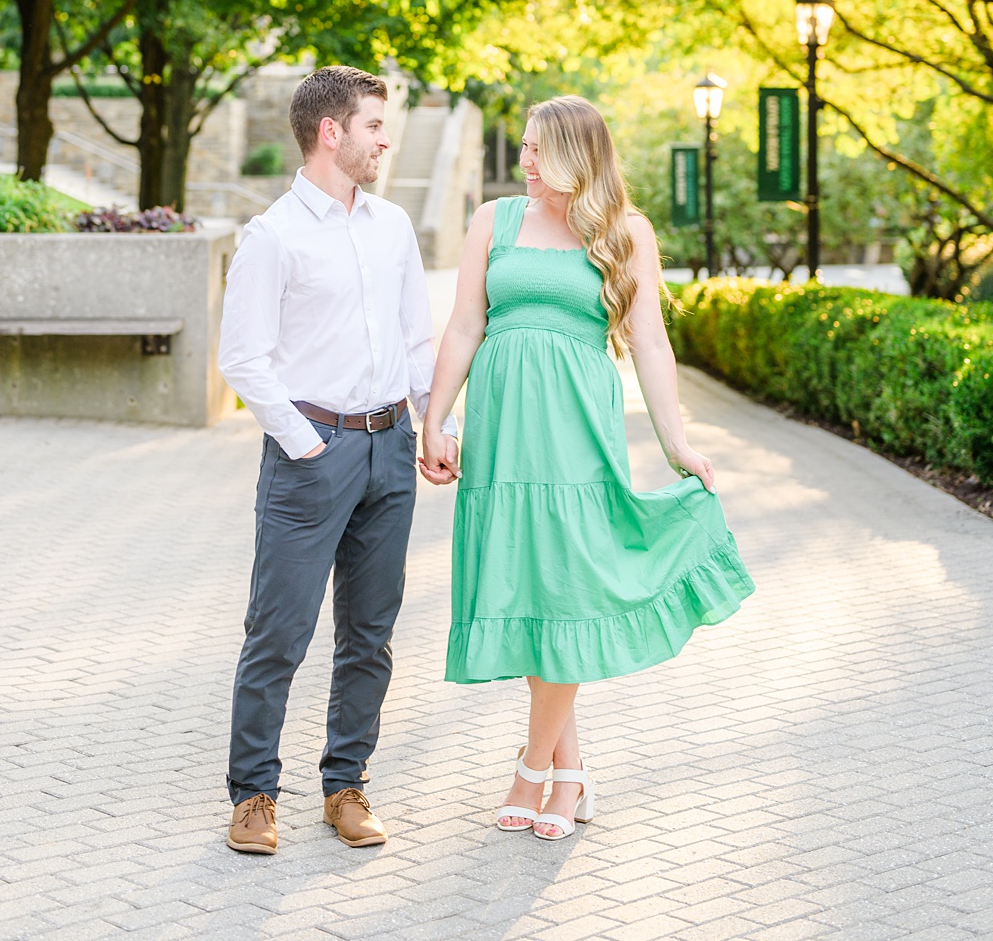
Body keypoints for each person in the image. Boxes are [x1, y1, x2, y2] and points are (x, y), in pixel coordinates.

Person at [420, 95, 752, 839]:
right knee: (533, 587)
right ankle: (568, 774)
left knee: (565, 588)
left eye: (539, 150)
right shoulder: (493, 221)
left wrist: (676, 444)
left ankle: (532, 770)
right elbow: (466, 323)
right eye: (525, 149)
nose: (525, 162)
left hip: (575, 434)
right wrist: (435, 419)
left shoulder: (625, 231)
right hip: (503, 436)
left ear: (576, 154)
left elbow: (651, 342)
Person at [213, 65, 444, 857]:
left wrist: (432, 423)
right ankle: (253, 797)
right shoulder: (272, 236)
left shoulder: (392, 228)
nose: (386, 140)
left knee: (370, 634)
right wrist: (307, 443)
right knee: (277, 632)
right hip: (312, 453)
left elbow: (418, 338)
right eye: (375, 126)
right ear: (331, 132)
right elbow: (242, 358)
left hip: (391, 453)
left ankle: (346, 785)